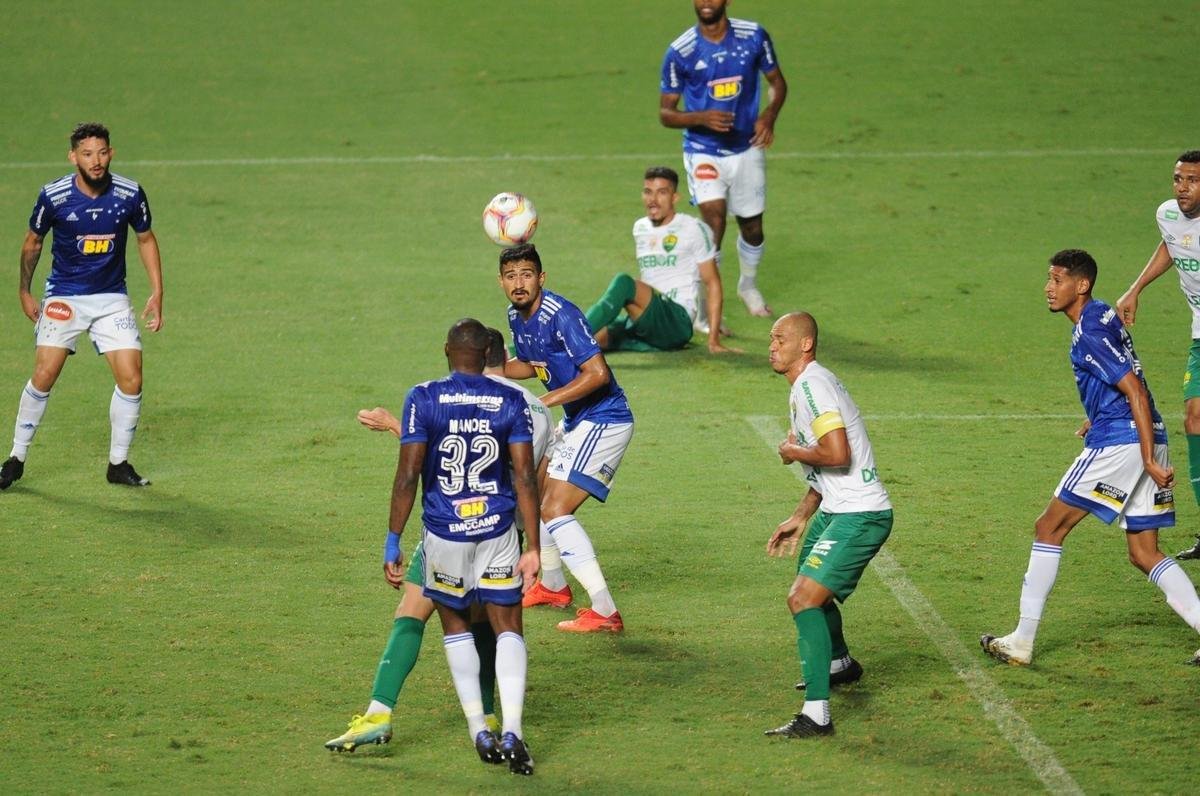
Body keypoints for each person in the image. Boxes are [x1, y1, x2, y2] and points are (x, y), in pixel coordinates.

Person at [325, 328, 552, 760]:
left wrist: (396, 425)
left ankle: (394, 713)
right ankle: (494, 723)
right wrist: (533, 544)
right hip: (505, 528)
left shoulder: (435, 395)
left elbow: (433, 461)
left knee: (423, 612)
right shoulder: (533, 407)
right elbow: (526, 475)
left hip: (448, 526)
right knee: (488, 621)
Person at [982, 249, 1200, 668]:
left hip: (1122, 443)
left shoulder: (1089, 333)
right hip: (1148, 434)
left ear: (1081, 285)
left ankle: (1022, 640)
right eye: (1048, 278)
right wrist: (1099, 416)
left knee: (1048, 527)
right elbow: (1124, 381)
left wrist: (1145, 460)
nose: (1049, 287)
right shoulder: (1101, 314)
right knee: (1144, 553)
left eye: (1058, 279)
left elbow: (1133, 387)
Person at [1, 122, 163, 490]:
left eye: (102, 152)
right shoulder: (54, 196)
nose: (96, 161)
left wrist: (157, 291)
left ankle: (118, 464)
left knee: (132, 378)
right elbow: (32, 244)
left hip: (111, 299)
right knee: (44, 375)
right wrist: (25, 292)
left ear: (111, 153)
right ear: (73, 156)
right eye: (87, 154)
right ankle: (15, 458)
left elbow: (146, 239)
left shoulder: (129, 193)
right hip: (65, 296)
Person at [761, 312, 894, 739]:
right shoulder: (808, 386)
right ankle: (839, 664)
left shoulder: (812, 385)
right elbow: (829, 469)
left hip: (860, 514)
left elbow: (837, 455)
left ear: (806, 345)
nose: (772, 345)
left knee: (802, 599)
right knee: (809, 590)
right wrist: (801, 515)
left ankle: (817, 716)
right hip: (837, 508)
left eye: (781, 339)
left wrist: (791, 452)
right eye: (771, 338)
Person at [499, 244, 635, 632]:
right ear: (501, 282)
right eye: (511, 276)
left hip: (605, 418)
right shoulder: (515, 315)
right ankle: (554, 585)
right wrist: (492, 368)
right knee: (539, 496)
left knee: (554, 508)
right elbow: (533, 363)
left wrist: (543, 402)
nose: (518, 283)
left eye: (526, 274)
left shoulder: (564, 316)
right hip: (578, 419)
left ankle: (606, 610)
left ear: (541, 278)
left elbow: (597, 374)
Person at [659, 0, 787, 319]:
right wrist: (701, 117)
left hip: (747, 147)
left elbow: (777, 83)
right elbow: (666, 113)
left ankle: (747, 285)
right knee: (714, 222)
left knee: (752, 228)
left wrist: (769, 116)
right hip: (703, 150)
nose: (705, 2)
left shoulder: (754, 37)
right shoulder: (681, 51)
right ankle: (703, 306)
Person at [1116, 150, 1200, 561]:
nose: (1182, 188)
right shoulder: (1167, 214)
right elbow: (1171, 244)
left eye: (1192, 180)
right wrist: (1136, 288)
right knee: (1195, 416)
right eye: (1178, 179)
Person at [584, 166, 740, 355]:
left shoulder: (693, 229)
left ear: (675, 197)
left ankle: (571, 337)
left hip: (677, 320)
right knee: (595, 339)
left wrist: (713, 339)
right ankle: (556, 350)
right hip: (650, 316)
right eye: (648, 192)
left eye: (662, 193)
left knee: (623, 282)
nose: (653, 200)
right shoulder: (640, 228)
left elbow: (712, 282)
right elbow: (650, 276)